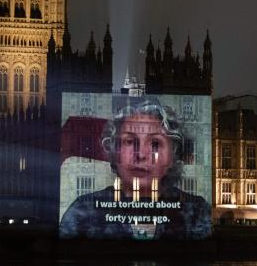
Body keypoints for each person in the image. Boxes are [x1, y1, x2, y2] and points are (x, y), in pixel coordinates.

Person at [59, 100, 211, 239]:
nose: (141, 155)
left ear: (173, 156)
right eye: (129, 141)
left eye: (155, 144)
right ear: (113, 151)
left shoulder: (197, 212)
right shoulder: (82, 211)